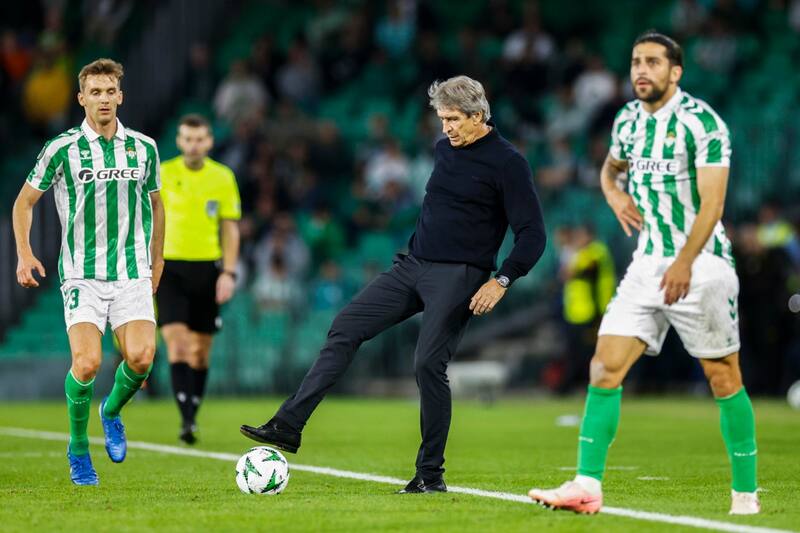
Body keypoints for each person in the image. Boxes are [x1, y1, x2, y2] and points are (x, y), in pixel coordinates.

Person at [240, 75, 546, 493]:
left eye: (454, 119)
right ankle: (288, 425)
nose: (446, 128)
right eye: (442, 119)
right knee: (345, 326)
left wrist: (502, 279)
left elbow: (532, 233)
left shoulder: (508, 162)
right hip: (413, 264)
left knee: (427, 365)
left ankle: (430, 476)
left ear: (478, 116)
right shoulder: (444, 150)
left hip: (459, 276)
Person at [528, 31, 759, 515]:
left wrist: (684, 261)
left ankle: (745, 496)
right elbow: (610, 172)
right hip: (647, 263)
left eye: (653, 62)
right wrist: (614, 195)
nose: (641, 70)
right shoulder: (628, 120)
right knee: (603, 368)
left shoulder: (703, 124)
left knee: (723, 378)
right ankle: (587, 486)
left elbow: (713, 204)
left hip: (704, 264)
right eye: (636, 61)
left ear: (675, 72)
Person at [12, 58, 164, 486]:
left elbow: (155, 204)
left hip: (132, 270)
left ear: (121, 96)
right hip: (82, 273)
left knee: (142, 358)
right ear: (81, 98)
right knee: (87, 362)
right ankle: (79, 450)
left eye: (109, 91)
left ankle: (111, 411)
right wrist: (24, 254)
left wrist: (159, 259)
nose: (103, 99)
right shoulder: (61, 149)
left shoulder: (145, 148)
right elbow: (24, 202)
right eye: (94, 92)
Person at [158, 114, 241, 444]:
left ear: (209, 141)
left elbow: (230, 227)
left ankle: (192, 411)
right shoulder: (162, 173)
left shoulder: (222, 177)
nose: (193, 145)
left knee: (200, 353)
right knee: (176, 345)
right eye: (187, 139)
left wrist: (229, 273)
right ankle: (187, 420)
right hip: (169, 268)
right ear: (179, 141)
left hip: (207, 268)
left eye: (199, 139)